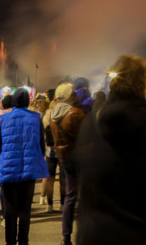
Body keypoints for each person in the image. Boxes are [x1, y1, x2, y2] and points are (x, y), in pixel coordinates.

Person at [75, 55, 146, 245]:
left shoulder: (90, 125)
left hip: (97, 233)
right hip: (144, 232)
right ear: (143, 85)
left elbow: (83, 179)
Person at [0, 88, 48, 245]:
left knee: (10, 209)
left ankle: (10, 241)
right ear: (27, 101)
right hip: (28, 168)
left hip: (8, 167)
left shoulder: (4, 118)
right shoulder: (36, 118)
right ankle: (23, 240)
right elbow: (41, 145)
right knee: (25, 209)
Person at [49, 82, 85, 245]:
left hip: (63, 156)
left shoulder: (53, 114)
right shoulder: (75, 113)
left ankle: (66, 236)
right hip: (78, 157)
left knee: (70, 196)